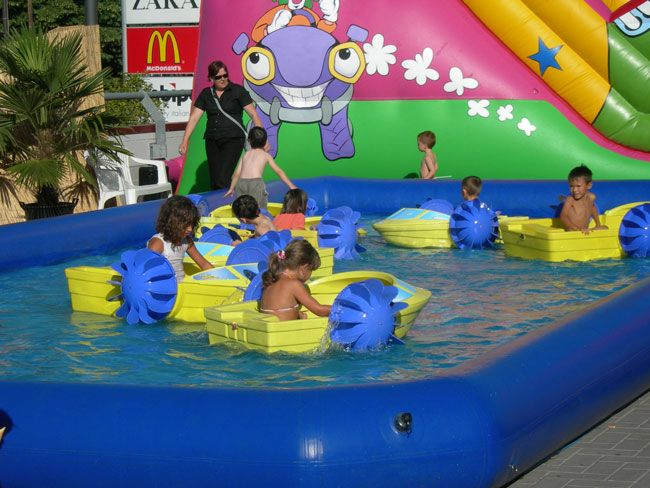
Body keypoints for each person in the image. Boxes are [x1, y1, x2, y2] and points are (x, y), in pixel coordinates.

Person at [179, 60, 263, 191]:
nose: (223, 79)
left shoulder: (238, 91)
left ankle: (230, 201)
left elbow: (253, 114)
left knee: (222, 178)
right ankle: (221, 202)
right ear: (211, 78)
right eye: (218, 77)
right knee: (214, 180)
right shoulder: (206, 94)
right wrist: (185, 140)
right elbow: (194, 118)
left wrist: (261, 138)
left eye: (225, 75)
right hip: (212, 140)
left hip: (233, 139)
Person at [224, 127, 297, 210]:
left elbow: (236, 173)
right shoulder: (266, 155)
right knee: (258, 209)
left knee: (242, 209)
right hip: (256, 184)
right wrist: (291, 185)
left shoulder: (246, 154)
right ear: (265, 142)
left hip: (241, 183)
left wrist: (231, 188)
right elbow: (278, 171)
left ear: (249, 140)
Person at [259, 239, 331, 321]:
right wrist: (340, 309)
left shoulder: (270, 281)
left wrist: (298, 314)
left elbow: (280, 310)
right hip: (284, 329)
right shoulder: (294, 284)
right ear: (303, 269)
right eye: (311, 270)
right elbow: (319, 310)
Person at [147, 196, 213, 281]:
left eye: (192, 224)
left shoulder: (186, 241)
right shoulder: (159, 243)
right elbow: (147, 271)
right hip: (166, 287)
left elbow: (204, 264)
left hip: (182, 286)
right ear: (172, 222)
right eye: (186, 224)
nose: (190, 229)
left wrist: (221, 279)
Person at [559, 165, 608, 234]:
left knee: (605, 228)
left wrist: (598, 224)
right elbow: (563, 216)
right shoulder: (570, 199)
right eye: (571, 186)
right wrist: (576, 228)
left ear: (589, 185)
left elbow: (593, 208)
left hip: (584, 231)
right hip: (573, 232)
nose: (574, 190)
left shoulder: (591, 197)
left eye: (578, 186)